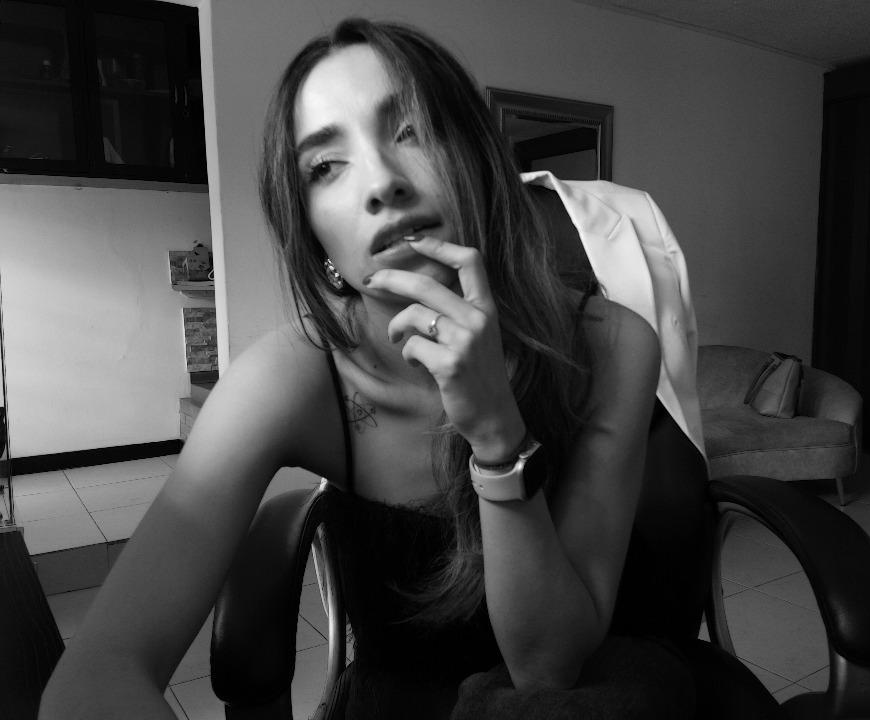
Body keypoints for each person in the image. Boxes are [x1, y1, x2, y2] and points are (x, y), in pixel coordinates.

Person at [40, 18, 696, 720]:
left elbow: (548, 666)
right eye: (326, 166)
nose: (382, 183)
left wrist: (497, 439)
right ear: (315, 238)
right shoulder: (290, 376)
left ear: (479, 158)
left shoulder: (613, 345)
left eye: (412, 131)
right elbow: (93, 679)